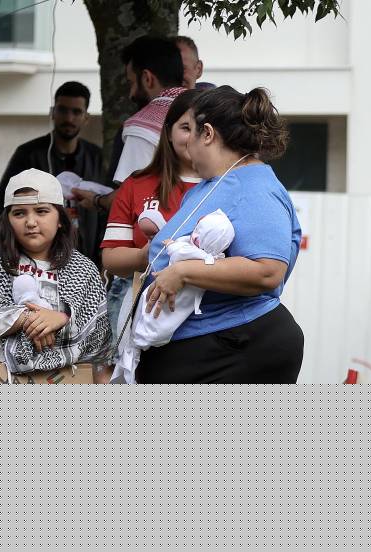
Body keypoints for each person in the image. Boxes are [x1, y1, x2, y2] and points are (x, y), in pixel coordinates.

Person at [134, 86, 304, 384]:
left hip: (235, 343)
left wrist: (185, 271)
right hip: (202, 344)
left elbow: (268, 271)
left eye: (192, 133)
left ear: (208, 134)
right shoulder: (212, 185)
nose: (186, 145)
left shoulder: (255, 187)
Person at [0, 169, 113, 379]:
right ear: (7, 220)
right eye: (19, 213)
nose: (30, 222)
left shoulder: (83, 269)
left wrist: (62, 319)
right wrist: (28, 318)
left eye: (41, 211)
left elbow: (99, 342)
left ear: (60, 219)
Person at [100, 90, 202, 336]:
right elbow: (111, 258)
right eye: (186, 128)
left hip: (208, 319)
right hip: (145, 314)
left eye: (203, 128)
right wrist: (145, 255)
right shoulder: (136, 184)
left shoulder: (227, 185)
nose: (194, 137)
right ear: (168, 132)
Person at [0, 81, 105, 261]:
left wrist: (102, 262)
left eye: (76, 112)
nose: (69, 118)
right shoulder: (28, 154)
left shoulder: (97, 157)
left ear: (86, 117)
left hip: (87, 262)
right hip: (36, 263)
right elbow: (2, 209)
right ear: (52, 112)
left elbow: (106, 215)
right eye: (62, 110)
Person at [91, 36, 187, 202]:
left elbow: (132, 198)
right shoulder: (211, 111)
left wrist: (97, 200)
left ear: (147, 78)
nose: (131, 94)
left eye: (131, 83)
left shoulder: (141, 127)